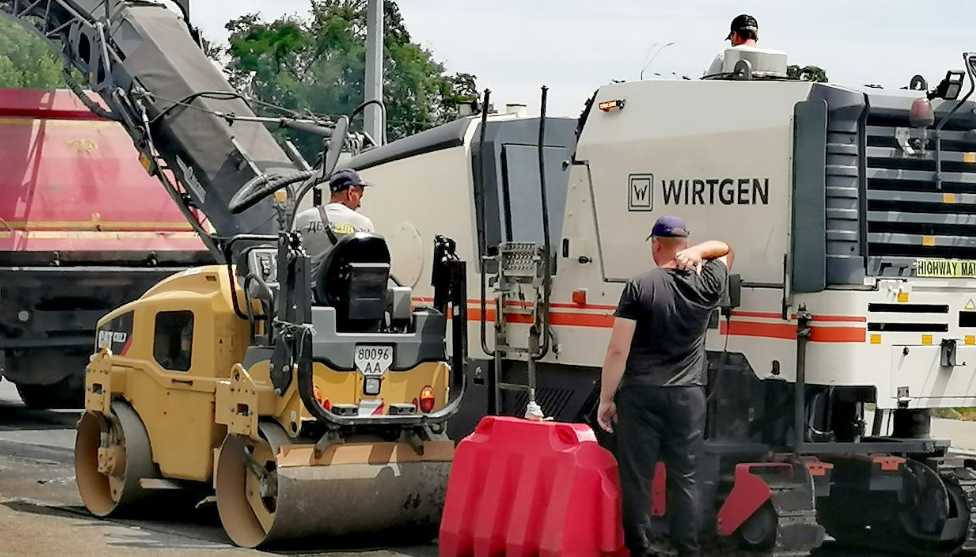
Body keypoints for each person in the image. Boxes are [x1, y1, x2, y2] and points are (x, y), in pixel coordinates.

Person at [597, 216, 733, 557]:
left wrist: (606, 399)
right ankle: (687, 548)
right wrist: (702, 252)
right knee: (685, 475)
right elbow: (726, 250)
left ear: (655, 244)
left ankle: (639, 547)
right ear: (684, 245)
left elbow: (617, 350)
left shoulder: (639, 286)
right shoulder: (709, 281)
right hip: (688, 395)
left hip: (641, 394)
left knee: (637, 476)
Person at [292, 168, 375, 263]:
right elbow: (369, 264)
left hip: (307, 278)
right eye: (359, 196)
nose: (359, 204)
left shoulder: (302, 219)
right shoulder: (364, 224)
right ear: (350, 192)